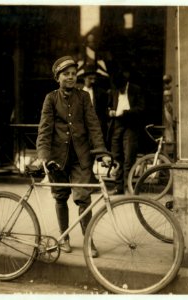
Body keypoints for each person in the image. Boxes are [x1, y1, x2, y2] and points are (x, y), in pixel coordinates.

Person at [36, 55, 110, 257]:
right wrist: (43, 156)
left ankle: (88, 240)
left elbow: (94, 126)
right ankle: (64, 237)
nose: (70, 77)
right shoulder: (51, 99)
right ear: (57, 78)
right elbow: (44, 130)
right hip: (57, 159)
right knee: (60, 197)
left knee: (83, 198)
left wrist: (101, 152)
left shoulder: (84, 97)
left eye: (73, 73)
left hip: (81, 157)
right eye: (65, 74)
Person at [107, 69, 145, 195]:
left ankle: (128, 187)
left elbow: (141, 109)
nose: (121, 90)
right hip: (117, 125)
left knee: (129, 156)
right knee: (117, 156)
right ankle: (118, 187)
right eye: (119, 88)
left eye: (122, 87)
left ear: (126, 83)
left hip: (131, 125)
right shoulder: (114, 91)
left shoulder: (135, 90)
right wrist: (111, 112)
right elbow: (108, 108)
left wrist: (126, 112)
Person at [79, 65, 109, 142]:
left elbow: (103, 110)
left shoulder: (100, 92)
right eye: (90, 78)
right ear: (84, 78)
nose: (93, 81)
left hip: (95, 124)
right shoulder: (77, 91)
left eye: (94, 79)